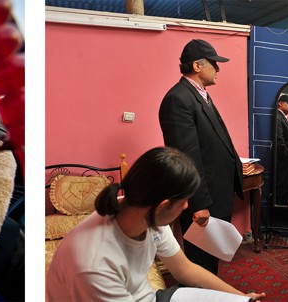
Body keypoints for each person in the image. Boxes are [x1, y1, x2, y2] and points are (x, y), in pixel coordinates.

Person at [46, 147, 265, 302]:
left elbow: (184, 269)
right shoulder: (93, 266)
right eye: (185, 201)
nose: (188, 206)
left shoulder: (144, 210)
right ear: (164, 206)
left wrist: (240, 296)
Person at [159, 39, 243, 275]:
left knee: (210, 261)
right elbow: (187, 157)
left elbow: (214, 141)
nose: (218, 69)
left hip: (216, 194)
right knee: (199, 265)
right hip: (203, 201)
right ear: (197, 66)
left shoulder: (200, 94)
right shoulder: (178, 99)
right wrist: (200, 204)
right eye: (214, 64)